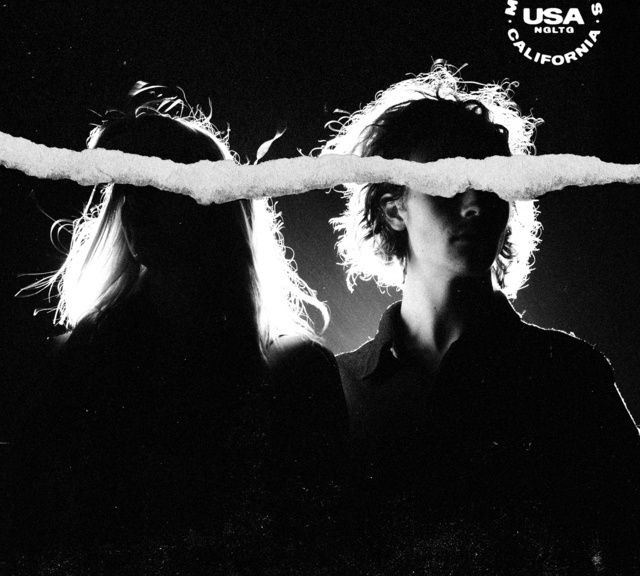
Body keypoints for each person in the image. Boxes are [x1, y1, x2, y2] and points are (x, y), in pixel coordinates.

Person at [322, 62, 640, 571]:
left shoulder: (569, 374)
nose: (475, 203)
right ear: (393, 209)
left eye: (491, 180)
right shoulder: (335, 389)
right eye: (449, 179)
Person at [9, 87, 329, 561]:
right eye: (130, 190)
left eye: (161, 188)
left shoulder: (297, 371)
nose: (137, 207)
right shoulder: (70, 364)